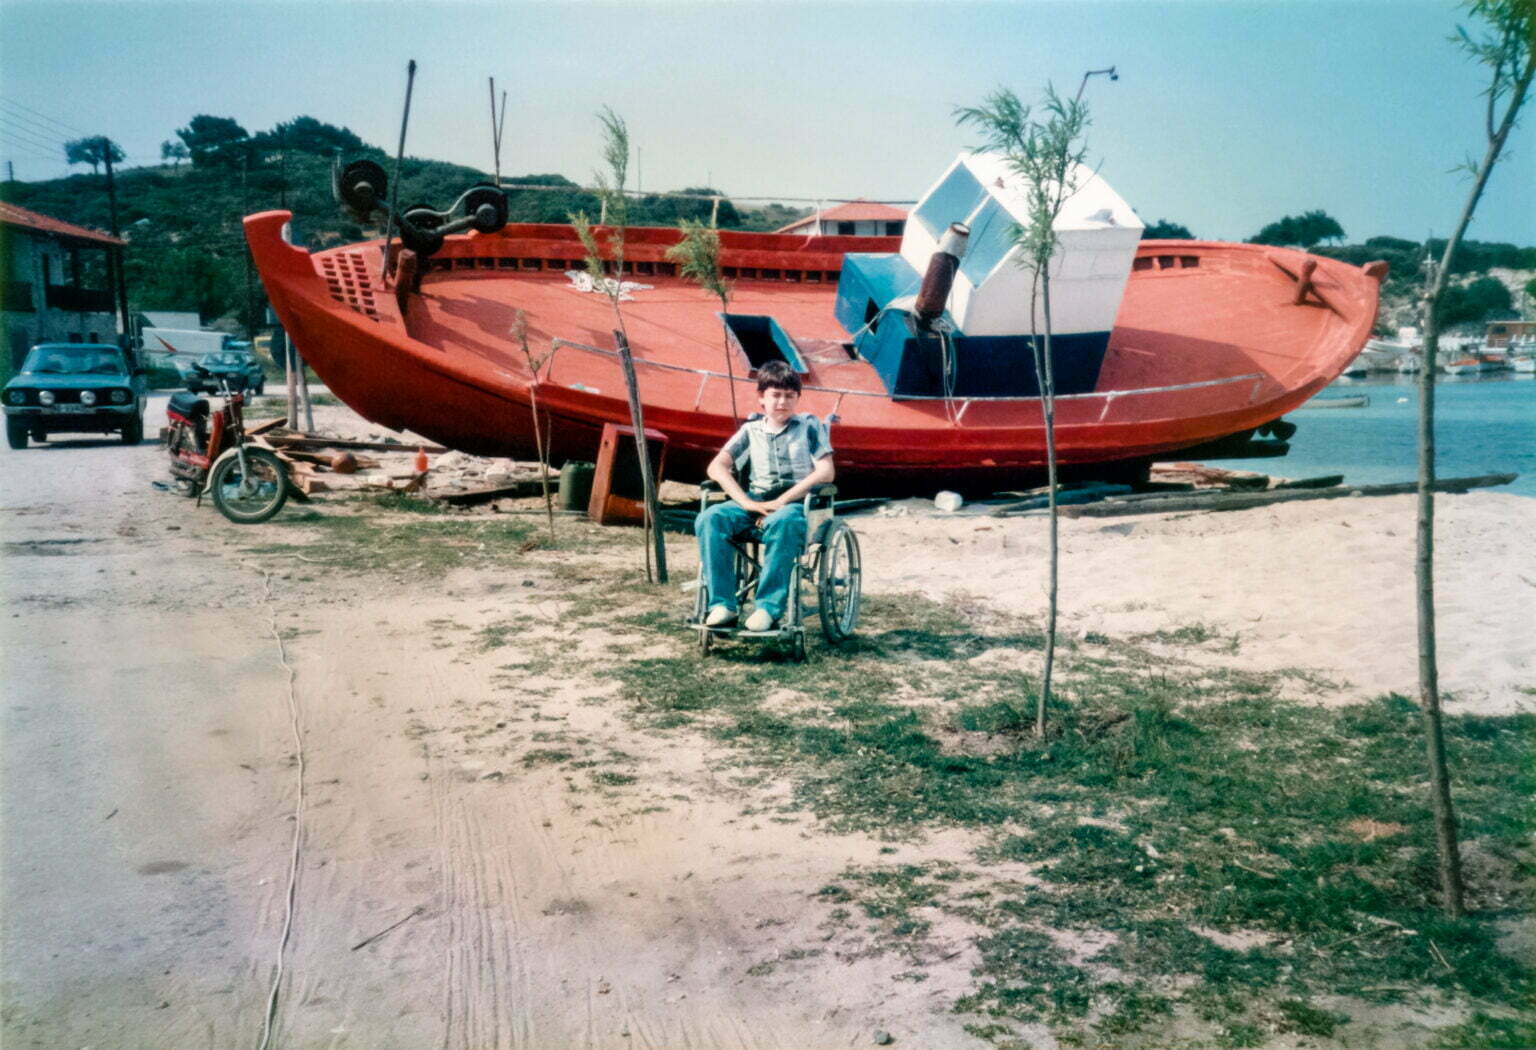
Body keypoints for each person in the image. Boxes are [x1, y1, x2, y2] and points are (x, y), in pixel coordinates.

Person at [697, 360, 835, 632]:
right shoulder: (750, 430)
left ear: (797, 399)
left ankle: (767, 608)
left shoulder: (808, 426)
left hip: (795, 504)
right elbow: (716, 467)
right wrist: (746, 502)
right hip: (755, 501)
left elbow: (826, 471)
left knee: (783, 522)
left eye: (789, 396)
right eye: (775, 395)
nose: (782, 402)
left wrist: (781, 502)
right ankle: (722, 605)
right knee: (710, 518)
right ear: (762, 397)